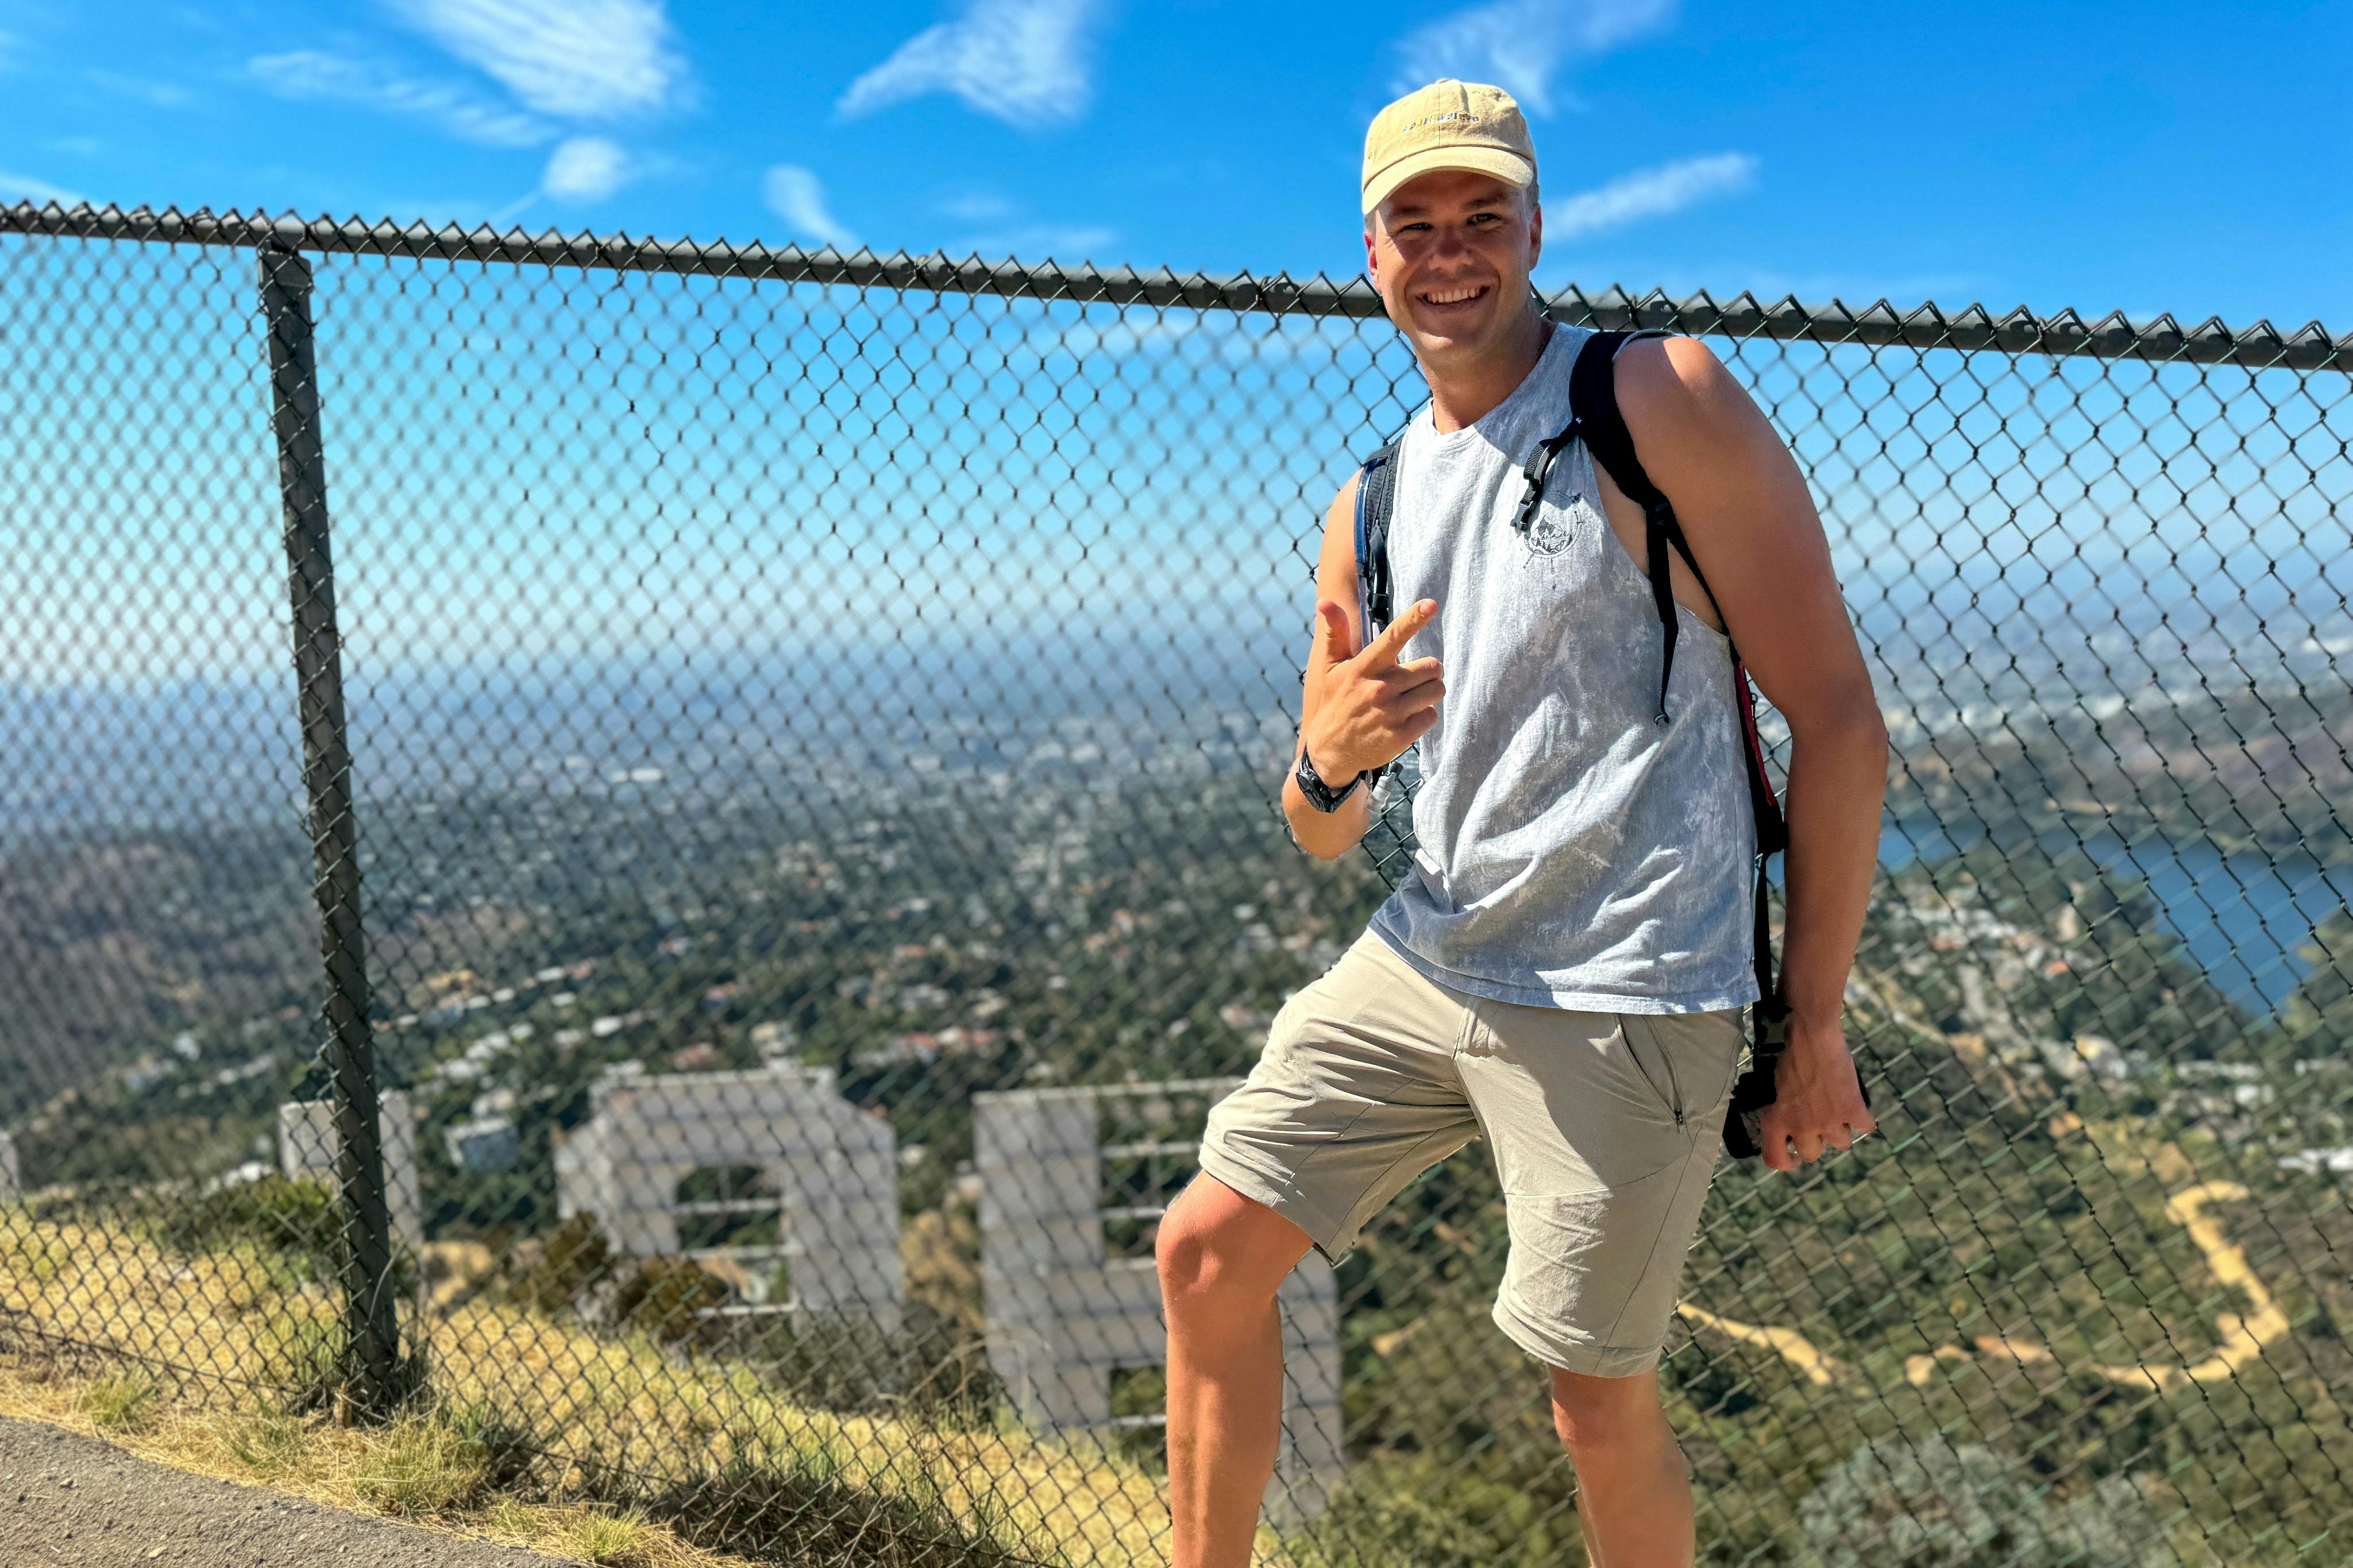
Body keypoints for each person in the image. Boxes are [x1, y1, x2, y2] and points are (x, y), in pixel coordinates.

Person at [1155, 79, 1887, 1568]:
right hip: (1434, 950)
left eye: (1482, 215)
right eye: (1414, 225)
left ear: (1536, 225)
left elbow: (1844, 721)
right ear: (1369, 252)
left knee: (1594, 1401)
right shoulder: (1364, 501)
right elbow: (1319, 828)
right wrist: (1323, 764)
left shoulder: (1655, 398)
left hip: (1630, 981)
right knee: (1204, 1252)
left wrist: (1811, 1021)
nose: (1450, 253)